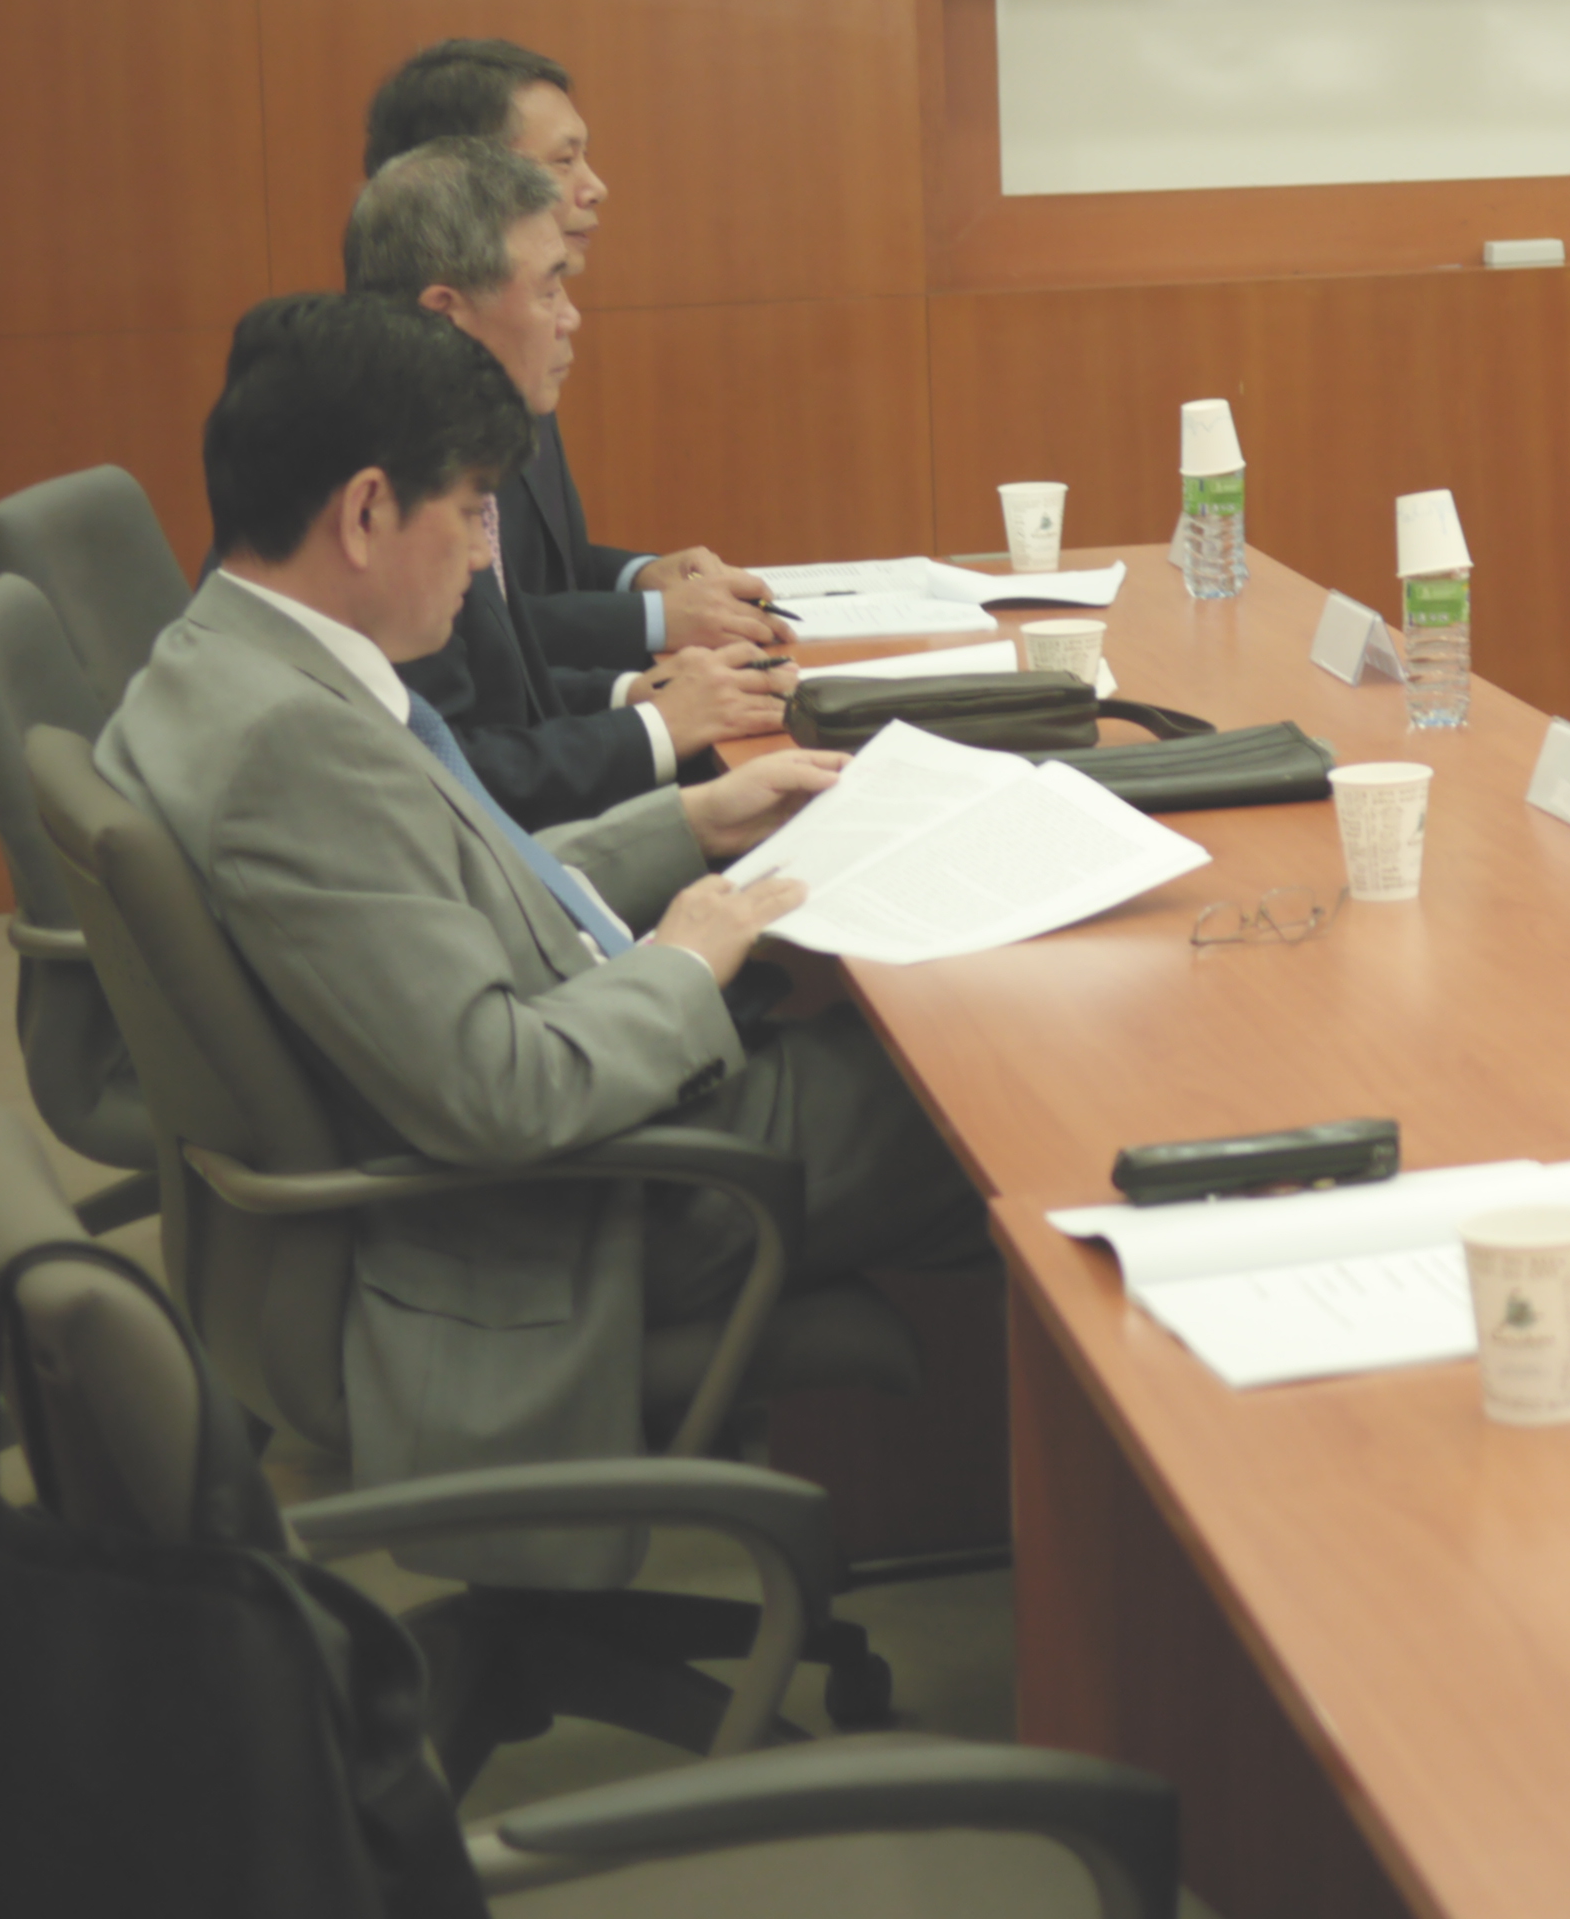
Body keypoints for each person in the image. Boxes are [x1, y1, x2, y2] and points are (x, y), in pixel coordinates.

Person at [97, 293, 979, 1583]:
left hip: (515, 1137)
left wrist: (687, 822)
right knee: (986, 1090)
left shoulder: (220, 658)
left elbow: (445, 897)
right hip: (569, 1205)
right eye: (469, 512)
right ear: (364, 512)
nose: (481, 558)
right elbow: (500, 1093)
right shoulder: (293, 747)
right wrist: (683, 959)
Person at [347, 138, 794, 822]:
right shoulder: (387, 498)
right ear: (444, 314)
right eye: (549, 289)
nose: (570, 317)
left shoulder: (440, 447)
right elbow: (444, 775)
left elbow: (501, 692)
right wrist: (658, 729)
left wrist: (637, 695)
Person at [362, 36, 782, 669]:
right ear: (469, 176)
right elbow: (471, 625)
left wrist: (640, 578)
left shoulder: (520, 338)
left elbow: (541, 575)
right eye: (564, 161)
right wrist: (654, 626)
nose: (596, 187)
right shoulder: (393, 397)